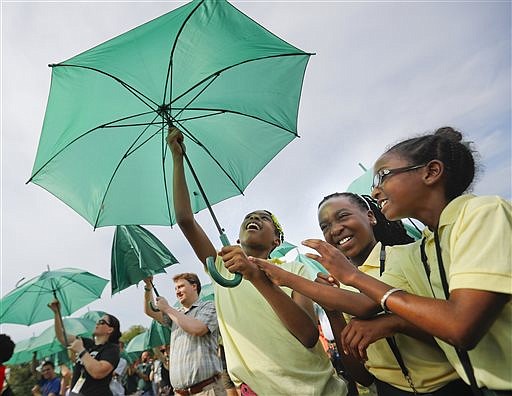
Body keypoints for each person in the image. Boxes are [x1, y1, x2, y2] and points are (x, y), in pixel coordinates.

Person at [302, 127, 511, 395]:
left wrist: (355, 279)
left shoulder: (482, 213)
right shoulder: (429, 244)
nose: (376, 191)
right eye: (325, 226)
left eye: (383, 176)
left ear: (431, 172)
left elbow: (460, 326)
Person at [167, 127, 348, 395]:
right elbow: (185, 219)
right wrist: (178, 160)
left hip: (315, 389)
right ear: (237, 241)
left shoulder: (294, 270)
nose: (255, 218)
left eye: (265, 218)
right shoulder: (221, 267)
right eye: (250, 216)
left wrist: (256, 276)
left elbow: (309, 336)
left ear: (276, 241)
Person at [256, 192, 470, 395]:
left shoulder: (408, 255)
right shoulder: (340, 288)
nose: (335, 229)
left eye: (343, 217)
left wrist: (287, 278)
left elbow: (367, 304)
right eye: (325, 226)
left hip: (450, 386)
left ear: (370, 217)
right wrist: (333, 312)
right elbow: (362, 376)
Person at [144, 273, 225, 396]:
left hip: (206, 390)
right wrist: (148, 286)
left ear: (194, 286)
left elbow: (197, 329)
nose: (177, 292)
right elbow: (149, 311)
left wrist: (167, 308)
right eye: (176, 288)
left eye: (181, 286)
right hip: (180, 393)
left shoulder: (208, 306)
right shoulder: (176, 314)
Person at [49, 300, 121, 396]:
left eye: (102, 322)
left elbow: (98, 372)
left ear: (110, 329)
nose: (97, 323)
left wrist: (81, 351)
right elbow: (62, 337)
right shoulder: (88, 343)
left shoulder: (112, 349)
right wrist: (57, 313)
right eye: (98, 321)